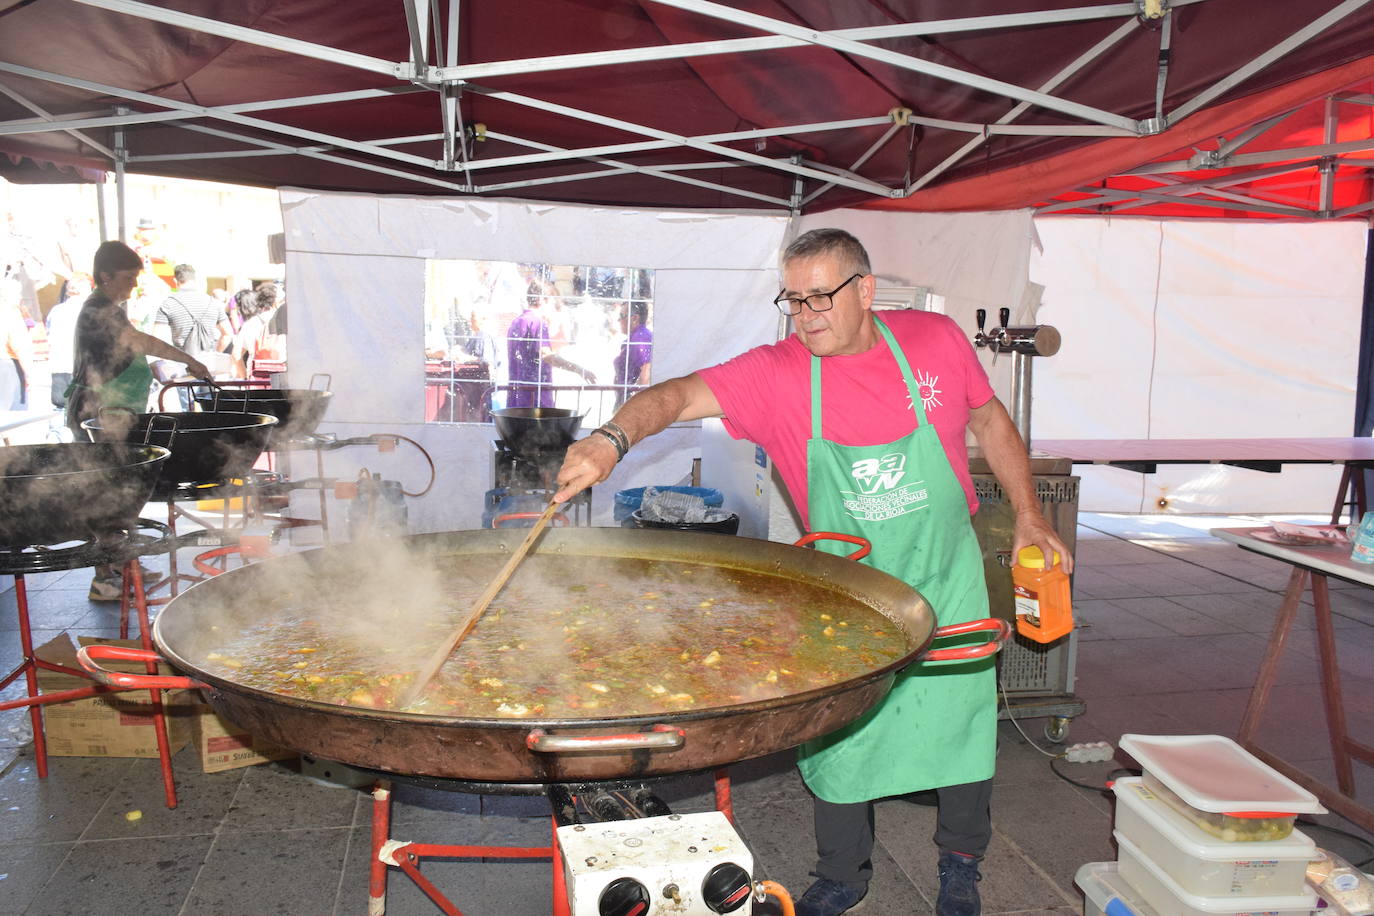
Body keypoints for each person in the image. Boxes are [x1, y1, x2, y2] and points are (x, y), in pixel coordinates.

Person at [555, 228, 1072, 916]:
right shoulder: (777, 374)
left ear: (864, 290)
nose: (807, 316)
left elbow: (989, 418)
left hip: (946, 575)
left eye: (822, 297)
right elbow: (677, 396)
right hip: (848, 593)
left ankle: (961, 864)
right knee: (844, 733)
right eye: (794, 301)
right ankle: (842, 873)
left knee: (961, 728)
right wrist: (609, 439)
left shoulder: (936, 341)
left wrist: (1031, 514)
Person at [67, 241, 213, 601]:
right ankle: (104, 578)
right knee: (105, 492)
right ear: (105, 276)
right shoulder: (96, 308)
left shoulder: (111, 309)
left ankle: (121, 563)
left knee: (120, 490)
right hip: (96, 414)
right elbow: (137, 341)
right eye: (128, 277)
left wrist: (153, 370)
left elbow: (120, 354)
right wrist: (187, 360)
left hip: (113, 413)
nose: (132, 285)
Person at [153, 264, 232, 408]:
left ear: (175, 280)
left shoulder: (169, 304)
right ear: (194, 279)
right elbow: (227, 333)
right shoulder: (212, 303)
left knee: (188, 412)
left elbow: (157, 339)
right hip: (209, 365)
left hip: (182, 366)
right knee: (211, 410)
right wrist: (216, 352)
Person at [506, 282, 595, 408]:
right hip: (536, 401)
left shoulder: (516, 322)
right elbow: (546, 355)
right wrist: (578, 369)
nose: (554, 307)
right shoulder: (538, 323)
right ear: (543, 300)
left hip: (516, 401)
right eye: (553, 301)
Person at [44, 273, 91, 409]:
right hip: (80, 367)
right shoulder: (88, 310)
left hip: (59, 365)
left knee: (61, 405)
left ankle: (57, 430)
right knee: (80, 408)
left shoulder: (56, 310)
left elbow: (49, 334)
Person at [1, 276, 33, 411]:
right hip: (8, 364)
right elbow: (19, 345)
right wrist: (29, 372)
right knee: (10, 416)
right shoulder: (10, 312)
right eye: (18, 293)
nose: (20, 297)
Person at [612, 299, 652, 403]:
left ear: (634, 318)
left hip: (631, 401)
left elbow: (646, 373)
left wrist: (636, 405)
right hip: (628, 398)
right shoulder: (638, 336)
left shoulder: (639, 339)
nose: (618, 320)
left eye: (621, 316)